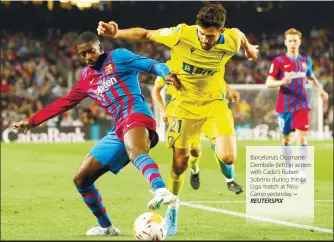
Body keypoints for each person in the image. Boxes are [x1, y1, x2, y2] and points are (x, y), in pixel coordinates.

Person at [97, 3, 259, 236]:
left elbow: (239, 34)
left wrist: (249, 48)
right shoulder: (181, 34)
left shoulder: (231, 39)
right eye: (202, 33)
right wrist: (117, 33)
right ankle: (173, 207)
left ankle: (214, 146)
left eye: (210, 36)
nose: (205, 39)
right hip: (183, 107)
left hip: (214, 104)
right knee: (179, 164)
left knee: (228, 156)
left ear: (221, 32)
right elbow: (146, 34)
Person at [13, 31, 181, 237]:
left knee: (136, 151)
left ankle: (161, 190)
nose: (87, 57)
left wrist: (165, 72)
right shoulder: (85, 78)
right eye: (82, 54)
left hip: (136, 114)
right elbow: (65, 103)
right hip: (118, 127)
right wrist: (32, 120)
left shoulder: (118, 57)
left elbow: (151, 64)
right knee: (81, 179)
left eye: (90, 51)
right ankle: (107, 227)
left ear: (100, 48)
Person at [152, 73, 242, 191]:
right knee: (195, 153)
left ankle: (230, 181)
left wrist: (230, 89)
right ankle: (195, 171)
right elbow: (156, 91)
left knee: (221, 148)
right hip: (185, 114)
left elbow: (216, 75)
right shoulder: (169, 67)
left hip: (209, 110)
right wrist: (164, 111)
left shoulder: (201, 62)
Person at [266, 28, 328, 177]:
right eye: (290, 41)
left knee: (302, 138)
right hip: (284, 106)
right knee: (286, 140)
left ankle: (302, 172)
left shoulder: (306, 61)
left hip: (302, 104)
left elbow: (311, 76)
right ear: (286, 43)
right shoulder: (278, 61)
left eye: (295, 40)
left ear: (299, 42)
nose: (293, 43)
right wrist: (282, 81)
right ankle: (288, 170)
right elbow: (269, 82)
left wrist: (320, 89)